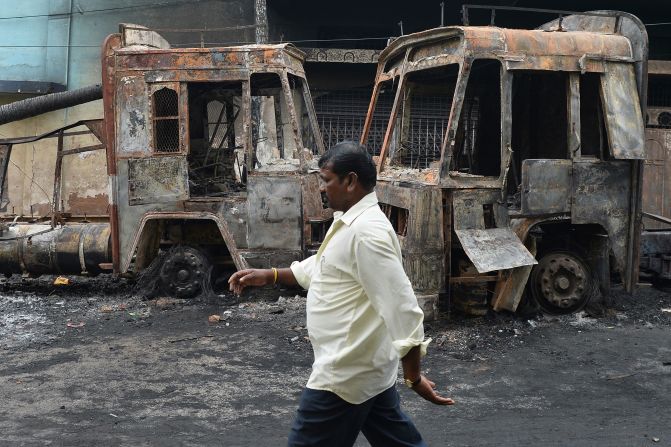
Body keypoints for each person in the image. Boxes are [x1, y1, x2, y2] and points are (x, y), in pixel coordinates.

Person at [229, 141, 453, 447]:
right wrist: (271, 275)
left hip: (344, 375)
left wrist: (414, 377)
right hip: (368, 372)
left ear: (350, 181)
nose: (322, 189)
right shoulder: (350, 222)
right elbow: (324, 267)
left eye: (326, 180)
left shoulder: (366, 233)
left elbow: (402, 308)